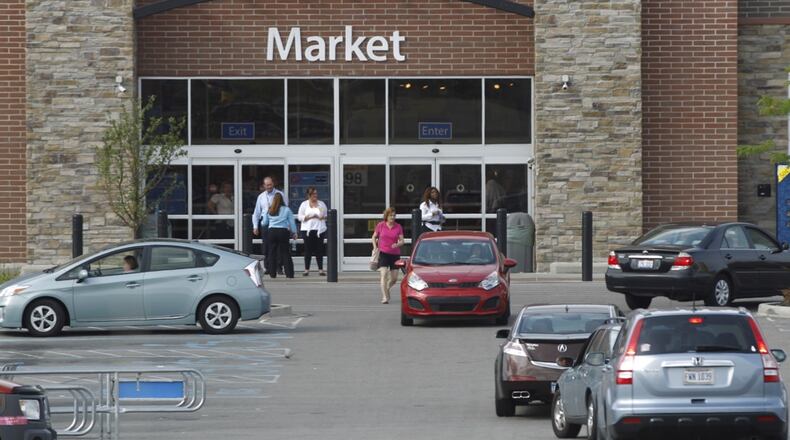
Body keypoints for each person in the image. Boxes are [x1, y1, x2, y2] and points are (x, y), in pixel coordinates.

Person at [252, 176, 288, 272]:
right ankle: (268, 267)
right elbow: (257, 212)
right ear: (264, 185)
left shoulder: (280, 194)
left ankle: (278, 267)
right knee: (267, 247)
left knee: (278, 246)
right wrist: (255, 226)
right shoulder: (261, 197)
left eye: (270, 184)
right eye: (267, 185)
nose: (269, 187)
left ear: (273, 184)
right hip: (265, 224)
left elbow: (286, 209)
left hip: (278, 223)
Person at [372, 207, 404, 304]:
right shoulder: (380, 225)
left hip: (395, 254)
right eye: (391, 215)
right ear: (386, 216)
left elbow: (402, 241)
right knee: (384, 274)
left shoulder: (398, 227)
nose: (393, 217)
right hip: (383, 253)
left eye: (394, 216)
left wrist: (397, 244)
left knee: (394, 279)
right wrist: (375, 247)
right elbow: (374, 237)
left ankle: (387, 288)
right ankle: (385, 297)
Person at [261, 192, 297, 279]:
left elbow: (264, 223)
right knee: (285, 252)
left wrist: (262, 222)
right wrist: (294, 232)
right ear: (282, 200)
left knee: (272, 252)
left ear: (273, 200)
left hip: (272, 231)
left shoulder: (270, 209)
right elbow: (292, 223)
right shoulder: (287, 209)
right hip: (283, 231)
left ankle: (272, 273)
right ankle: (289, 274)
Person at [297, 187, 328, 276]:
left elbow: (326, 215)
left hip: (319, 229)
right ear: (309, 195)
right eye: (313, 194)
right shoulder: (304, 204)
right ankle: (306, 269)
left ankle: (320, 270)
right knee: (308, 250)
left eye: (316, 193)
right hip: (307, 230)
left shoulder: (321, 204)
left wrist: (322, 217)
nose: (315, 195)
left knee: (319, 250)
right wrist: (309, 217)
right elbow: (300, 217)